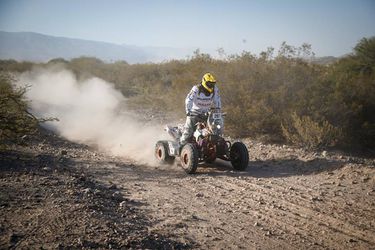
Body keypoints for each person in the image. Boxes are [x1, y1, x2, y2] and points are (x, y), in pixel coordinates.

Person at [179, 72, 221, 146]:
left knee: (215, 129)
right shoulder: (196, 89)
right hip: (194, 113)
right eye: (209, 84)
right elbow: (188, 100)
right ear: (204, 82)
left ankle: (216, 145)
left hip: (207, 113)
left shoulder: (215, 89)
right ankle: (181, 146)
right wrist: (188, 111)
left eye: (212, 84)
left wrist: (218, 110)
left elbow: (217, 100)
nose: (211, 86)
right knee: (188, 132)